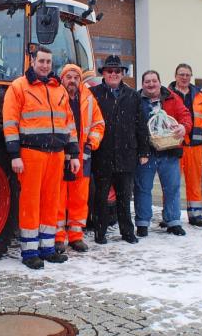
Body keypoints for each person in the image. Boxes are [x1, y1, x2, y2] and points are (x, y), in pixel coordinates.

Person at [3, 46, 80, 269]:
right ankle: (29, 252)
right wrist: (14, 154)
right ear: (32, 61)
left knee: (51, 202)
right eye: (41, 61)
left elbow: (70, 124)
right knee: (30, 202)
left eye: (48, 62)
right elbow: (10, 123)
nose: (45, 65)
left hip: (56, 154)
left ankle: (47, 249)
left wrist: (73, 153)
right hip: (30, 154)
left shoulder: (60, 90)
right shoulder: (19, 87)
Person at [89, 55, 150, 245]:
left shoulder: (133, 95)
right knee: (100, 197)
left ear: (122, 73)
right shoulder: (93, 94)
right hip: (102, 154)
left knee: (125, 197)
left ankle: (127, 232)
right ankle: (100, 232)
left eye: (117, 71)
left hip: (126, 154)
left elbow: (141, 125)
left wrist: (143, 151)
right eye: (109, 71)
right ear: (104, 74)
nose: (113, 74)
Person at [134, 70, 192, 237]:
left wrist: (183, 127)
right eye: (147, 82)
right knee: (143, 187)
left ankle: (173, 221)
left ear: (160, 82)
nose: (151, 84)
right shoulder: (136, 100)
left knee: (172, 187)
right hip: (146, 152)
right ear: (142, 84)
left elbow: (185, 116)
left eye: (154, 81)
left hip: (169, 150)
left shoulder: (172, 98)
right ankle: (142, 222)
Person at [55, 64, 105, 253]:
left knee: (79, 198)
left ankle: (76, 236)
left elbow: (99, 124)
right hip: (60, 154)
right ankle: (58, 237)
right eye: (69, 77)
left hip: (83, 156)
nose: (73, 80)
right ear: (62, 79)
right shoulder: (55, 96)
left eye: (76, 77)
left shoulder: (89, 98)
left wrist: (91, 143)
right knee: (58, 198)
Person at [168, 63, 202, 228]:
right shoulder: (168, 95)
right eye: (181, 74)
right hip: (174, 144)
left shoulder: (201, 97)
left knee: (194, 181)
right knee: (171, 182)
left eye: (187, 75)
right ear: (175, 76)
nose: (184, 77)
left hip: (195, 145)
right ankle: (170, 215)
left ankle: (195, 214)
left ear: (190, 76)